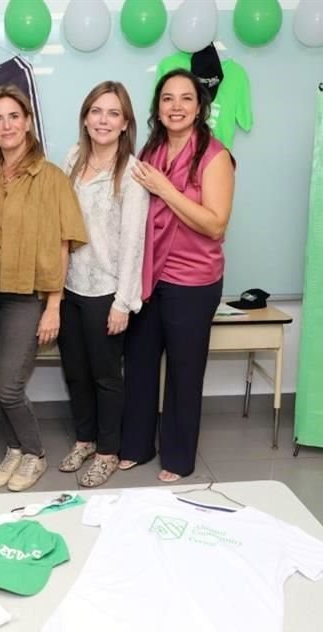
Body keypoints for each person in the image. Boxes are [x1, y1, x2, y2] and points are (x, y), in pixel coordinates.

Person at [120, 69, 236, 483]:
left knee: (185, 371)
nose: (176, 107)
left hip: (193, 281)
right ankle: (135, 445)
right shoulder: (150, 151)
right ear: (157, 107)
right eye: (167, 99)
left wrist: (167, 189)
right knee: (139, 363)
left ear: (200, 106)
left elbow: (215, 224)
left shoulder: (215, 156)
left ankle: (179, 458)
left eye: (186, 98)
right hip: (149, 275)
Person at [0, 85, 88, 492]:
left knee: (8, 384)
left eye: (13, 117)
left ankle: (35, 453)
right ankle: (15, 449)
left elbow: (62, 243)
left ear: (27, 122)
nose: (6, 125)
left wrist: (54, 305)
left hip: (27, 297)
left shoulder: (51, 177)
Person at [58, 81, 149, 488]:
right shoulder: (73, 158)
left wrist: (123, 302)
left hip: (106, 291)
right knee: (75, 373)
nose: (103, 120)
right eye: (96, 111)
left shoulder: (131, 171)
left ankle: (108, 452)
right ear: (85, 116)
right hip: (70, 286)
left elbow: (134, 241)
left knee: (106, 377)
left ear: (125, 122)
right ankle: (85, 440)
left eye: (113, 113)